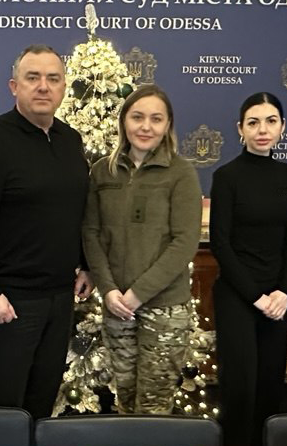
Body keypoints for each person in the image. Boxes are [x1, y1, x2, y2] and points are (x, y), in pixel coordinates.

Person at [0, 44, 93, 418]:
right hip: (10, 301)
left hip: (60, 296)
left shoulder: (70, 140)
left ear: (64, 88)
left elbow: (75, 209)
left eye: (53, 78)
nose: (43, 86)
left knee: (44, 395)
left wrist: (85, 263)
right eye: (33, 78)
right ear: (14, 86)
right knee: (6, 405)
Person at [82, 84, 202, 414]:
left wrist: (138, 294)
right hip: (116, 306)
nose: (146, 126)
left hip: (165, 310)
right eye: (137, 117)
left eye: (156, 119)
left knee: (153, 406)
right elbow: (91, 233)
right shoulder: (102, 171)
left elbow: (184, 242)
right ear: (124, 121)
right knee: (125, 399)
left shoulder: (181, 173)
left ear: (167, 125)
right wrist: (108, 290)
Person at [210, 91, 287, 446]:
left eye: (270, 121)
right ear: (240, 129)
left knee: (269, 385)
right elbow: (220, 244)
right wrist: (256, 297)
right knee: (241, 388)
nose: (262, 130)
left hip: (277, 298)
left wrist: (284, 292)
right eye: (253, 122)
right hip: (238, 295)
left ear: (282, 127)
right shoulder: (226, 176)